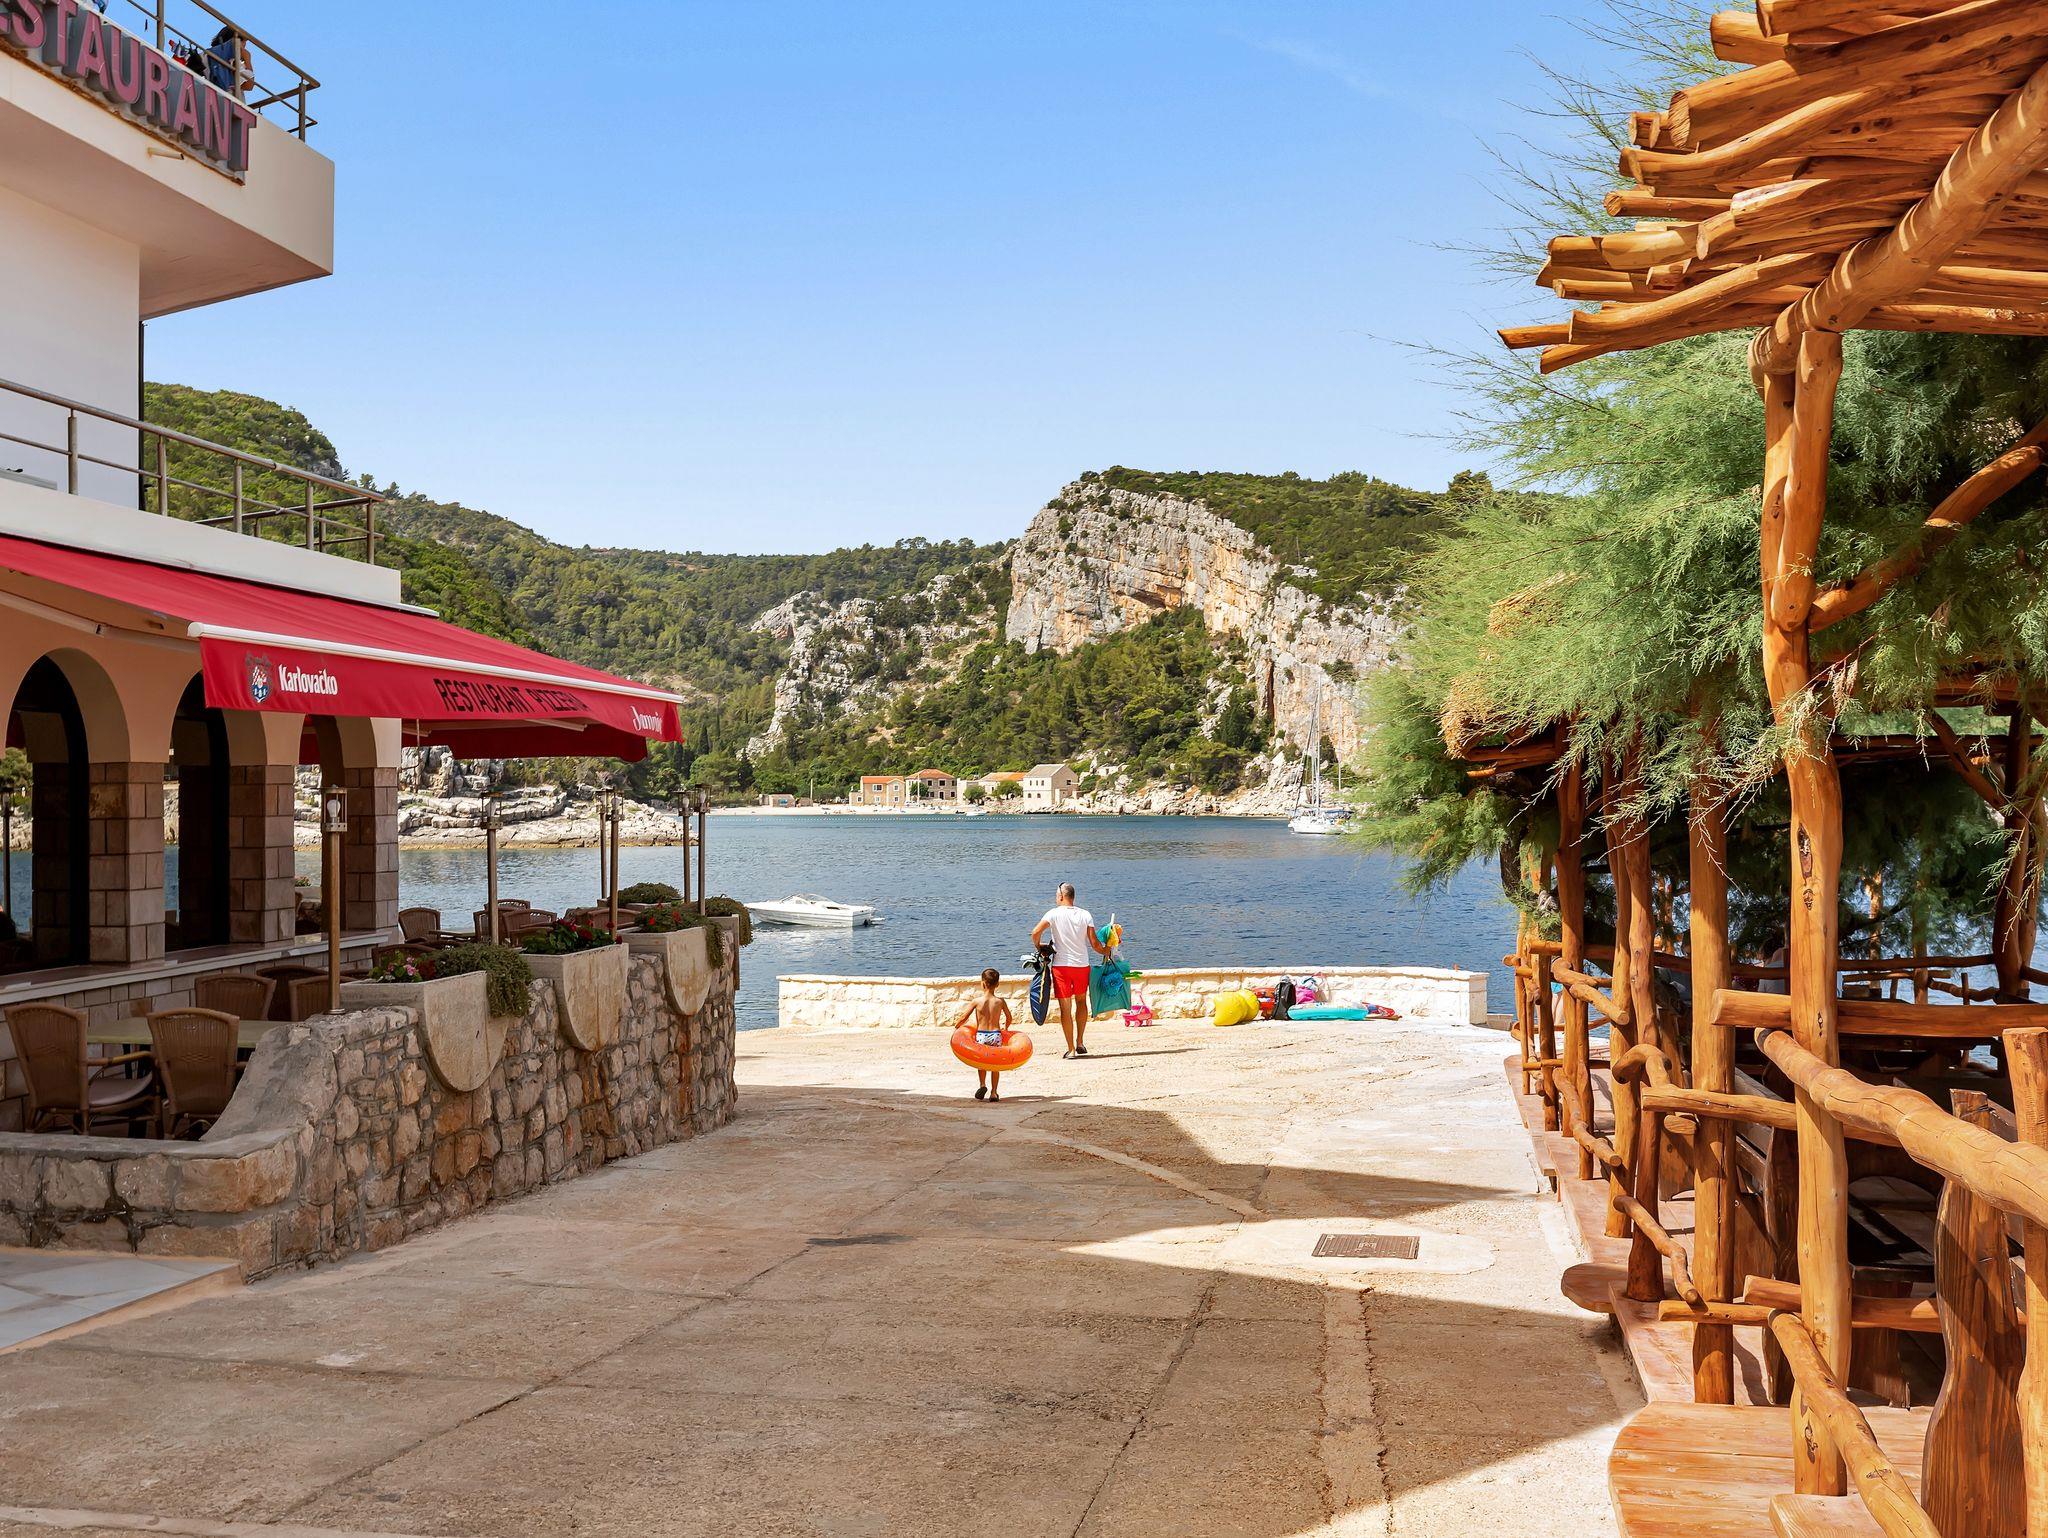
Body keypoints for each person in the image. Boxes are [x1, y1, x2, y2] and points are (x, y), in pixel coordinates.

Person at [1031, 881, 1109, 1058]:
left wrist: (1039, 947)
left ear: (1060, 896)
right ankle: (1080, 1042)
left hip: (1061, 967)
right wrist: (1107, 951)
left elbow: (1035, 932)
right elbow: (1095, 944)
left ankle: (1071, 1049)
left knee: (1065, 1008)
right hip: (1081, 965)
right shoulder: (1085, 914)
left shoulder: (1053, 913)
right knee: (1081, 1002)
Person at [951, 967, 1013, 1102]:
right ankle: (994, 1093)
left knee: (981, 1062)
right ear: (997, 984)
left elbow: (964, 1017)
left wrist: (957, 1027)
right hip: (995, 1034)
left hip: (981, 1035)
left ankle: (982, 1084)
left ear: (983, 983)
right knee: (995, 1065)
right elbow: (1009, 1017)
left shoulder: (977, 1001)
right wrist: (1006, 1027)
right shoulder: (1000, 1001)